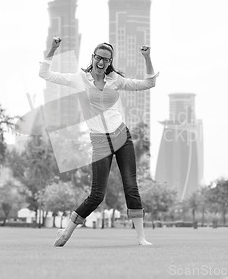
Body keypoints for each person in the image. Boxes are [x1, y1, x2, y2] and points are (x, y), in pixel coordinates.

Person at [39, 37, 158, 247]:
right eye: (98, 58)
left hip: (122, 136)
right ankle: (66, 233)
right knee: (97, 195)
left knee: (131, 186)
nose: (102, 63)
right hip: (100, 141)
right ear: (93, 58)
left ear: (110, 61)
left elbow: (149, 83)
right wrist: (53, 49)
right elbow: (45, 74)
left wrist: (147, 57)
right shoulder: (79, 79)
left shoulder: (115, 81)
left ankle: (141, 237)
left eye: (106, 59)